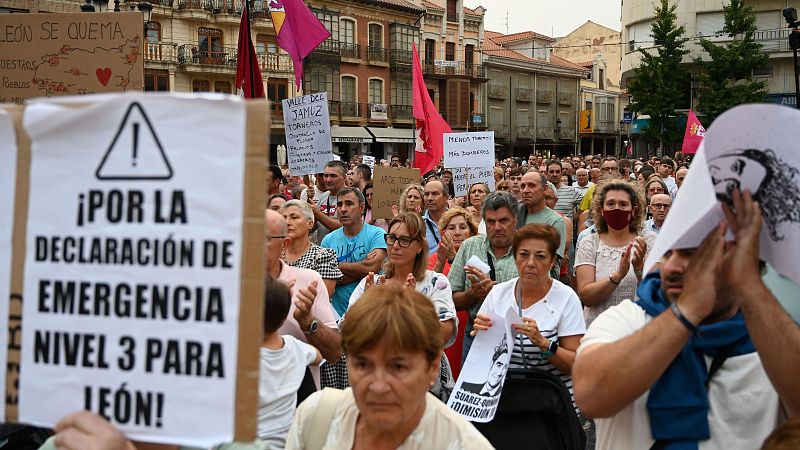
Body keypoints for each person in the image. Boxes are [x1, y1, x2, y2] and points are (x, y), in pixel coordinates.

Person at [572, 190, 797, 450]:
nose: (672, 267)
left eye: (694, 255)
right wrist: (687, 311)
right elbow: (591, 395)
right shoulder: (626, 319)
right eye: (669, 253)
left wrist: (750, 286)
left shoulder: (769, 343)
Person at [286, 284, 493, 450]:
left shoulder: (463, 444)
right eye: (363, 364)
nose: (378, 385)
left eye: (398, 367)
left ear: (432, 367)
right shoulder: (316, 419)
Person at [347, 213, 458, 401]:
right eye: (391, 238)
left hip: (425, 388)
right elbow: (349, 333)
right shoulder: (372, 284)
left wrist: (411, 309)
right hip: (377, 384)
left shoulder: (436, 282)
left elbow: (442, 333)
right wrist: (368, 308)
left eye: (405, 240)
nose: (396, 245)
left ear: (419, 246)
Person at [472, 224, 586, 406]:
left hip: (552, 406)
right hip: (505, 403)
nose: (531, 263)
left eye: (540, 256)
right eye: (524, 255)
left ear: (551, 262)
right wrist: (480, 333)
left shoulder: (566, 298)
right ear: (515, 258)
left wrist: (543, 343)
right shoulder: (498, 294)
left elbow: (576, 364)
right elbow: (482, 357)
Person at [265, 209, 342, 379]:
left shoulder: (309, 281)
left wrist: (308, 322)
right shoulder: (230, 284)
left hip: (298, 399)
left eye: (264, 238)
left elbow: (335, 352)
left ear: (284, 244)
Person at [449, 191, 520, 364]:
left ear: (515, 220)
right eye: (491, 221)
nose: (497, 227)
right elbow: (450, 300)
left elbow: (543, 300)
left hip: (519, 341)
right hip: (476, 336)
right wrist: (473, 294)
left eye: (503, 220)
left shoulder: (529, 248)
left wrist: (498, 294)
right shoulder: (469, 246)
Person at [575, 181, 655, 327]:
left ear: (633, 210)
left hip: (638, 329)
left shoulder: (648, 240)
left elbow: (657, 293)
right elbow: (586, 296)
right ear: (601, 210)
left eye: (623, 204)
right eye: (610, 204)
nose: (617, 208)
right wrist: (617, 276)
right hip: (598, 330)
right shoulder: (590, 243)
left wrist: (639, 270)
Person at [258, 276, 322, 448]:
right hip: (288, 443)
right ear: (283, 318)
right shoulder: (295, 348)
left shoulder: (244, 358)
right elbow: (318, 357)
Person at [428, 207, 479, 379]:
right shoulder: (433, 259)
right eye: (451, 228)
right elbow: (427, 290)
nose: (457, 232)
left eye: (463, 227)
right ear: (443, 233)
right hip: (445, 328)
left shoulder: (479, 258)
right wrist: (443, 260)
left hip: (471, 325)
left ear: (472, 232)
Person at [320, 187, 387, 318]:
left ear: (362, 208)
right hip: (337, 314)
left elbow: (372, 268)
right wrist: (363, 269)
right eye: (339, 205)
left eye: (349, 204)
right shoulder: (328, 240)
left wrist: (335, 264)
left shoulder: (377, 234)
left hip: (371, 312)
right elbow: (326, 281)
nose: (343, 209)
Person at [279, 200, 343, 297]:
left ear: (310, 224)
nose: (287, 222)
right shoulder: (276, 255)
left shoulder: (323, 256)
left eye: (294, 217)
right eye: (284, 218)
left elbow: (321, 300)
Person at [515, 170, 566, 277]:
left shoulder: (555, 221)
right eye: (523, 186)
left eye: (532, 186)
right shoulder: (514, 215)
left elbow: (553, 263)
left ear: (545, 189)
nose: (525, 190)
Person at [310, 161, 348, 244]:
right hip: (323, 250)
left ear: (344, 178)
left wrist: (318, 213)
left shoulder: (351, 196)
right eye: (325, 176)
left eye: (333, 176)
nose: (328, 180)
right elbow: (313, 228)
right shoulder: (324, 196)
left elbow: (344, 226)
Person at [422, 180, 448, 256]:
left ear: (446, 198)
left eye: (435, 194)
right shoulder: (418, 224)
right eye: (426, 194)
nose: (429, 198)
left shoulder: (457, 221)